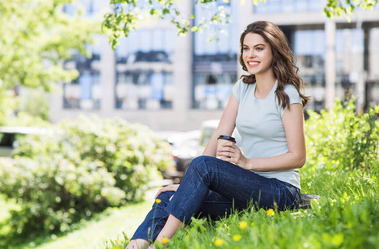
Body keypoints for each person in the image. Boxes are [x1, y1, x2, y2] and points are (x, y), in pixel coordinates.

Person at [126, 21, 310, 249]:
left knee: (204, 166)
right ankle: (135, 245)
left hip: (280, 191)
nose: (250, 54)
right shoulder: (242, 88)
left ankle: (161, 244)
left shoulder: (286, 94)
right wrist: (187, 186)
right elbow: (219, 135)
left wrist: (246, 162)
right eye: (246, 48)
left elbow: (298, 157)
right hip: (246, 188)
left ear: (274, 50)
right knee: (168, 196)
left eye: (259, 48)